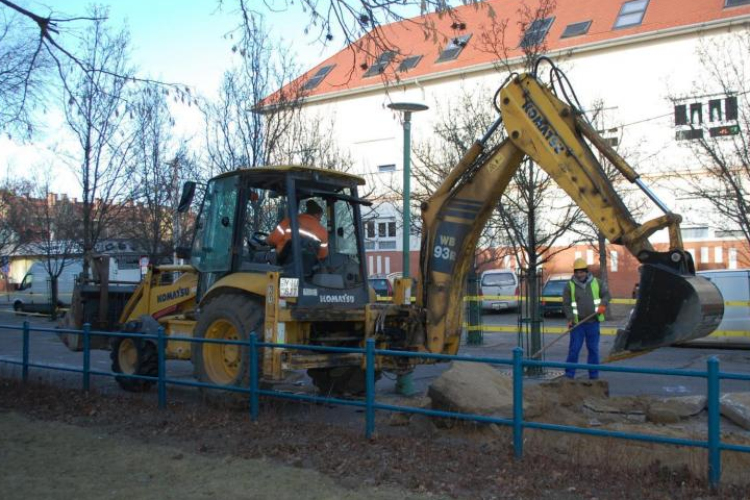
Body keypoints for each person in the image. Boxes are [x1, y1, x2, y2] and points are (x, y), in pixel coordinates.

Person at [562, 258, 610, 380]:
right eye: (577, 272)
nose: (579, 274)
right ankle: (569, 374)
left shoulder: (597, 283)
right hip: (577, 324)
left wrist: (603, 304)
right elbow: (566, 304)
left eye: (581, 272)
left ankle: (594, 376)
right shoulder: (570, 286)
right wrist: (570, 318)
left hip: (593, 323)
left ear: (586, 272)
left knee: (593, 349)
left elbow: (607, 295)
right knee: (574, 349)